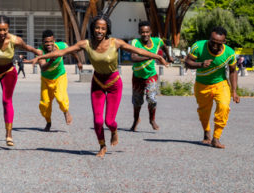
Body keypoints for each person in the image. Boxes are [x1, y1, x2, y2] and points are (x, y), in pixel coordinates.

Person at [33, 15, 167, 157]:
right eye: (97, 27)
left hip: (114, 84)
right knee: (97, 120)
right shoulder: (86, 44)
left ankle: (114, 131)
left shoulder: (115, 43)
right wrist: (40, 57)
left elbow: (138, 51)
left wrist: (157, 56)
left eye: (103, 28)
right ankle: (102, 146)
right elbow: (62, 52)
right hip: (97, 83)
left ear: (107, 29)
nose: (99, 31)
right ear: (93, 28)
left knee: (109, 121)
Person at [0, 15, 42, 146]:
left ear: (8, 29)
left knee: (6, 100)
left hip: (8, 72)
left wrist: (36, 51)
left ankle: (9, 134)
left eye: (5, 30)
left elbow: (27, 47)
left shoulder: (15, 40)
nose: (2, 33)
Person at [184, 26, 239, 149]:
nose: (214, 46)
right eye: (212, 42)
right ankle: (206, 132)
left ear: (224, 42)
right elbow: (187, 62)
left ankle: (216, 138)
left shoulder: (229, 53)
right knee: (204, 111)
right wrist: (200, 64)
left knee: (224, 107)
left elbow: (233, 71)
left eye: (218, 44)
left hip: (221, 84)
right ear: (209, 38)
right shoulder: (198, 47)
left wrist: (234, 91)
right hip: (202, 85)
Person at [36, 29, 82, 132]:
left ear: (54, 41)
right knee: (45, 104)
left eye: (50, 41)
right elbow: (43, 67)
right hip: (46, 80)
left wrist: (78, 61)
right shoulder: (40, 51)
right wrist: (51, 59)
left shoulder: (61, 46)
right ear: (42, 42)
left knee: (61, 98)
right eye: (46, 42)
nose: (48, 44)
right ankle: (48, 122)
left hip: (59, 76)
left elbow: (72, 51)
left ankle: (66, 111)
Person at [129, 21, 171, 131]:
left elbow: (164, 46)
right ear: (139, 32)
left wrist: (169, 57)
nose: (145, 34)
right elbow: (133, 58)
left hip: (151, 75)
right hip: (137, 76)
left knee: (152, 99)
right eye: (142, 32)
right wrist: (150, 56)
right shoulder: (135, 42)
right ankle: (136, 120)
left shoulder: (157, 41)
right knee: (137, 102)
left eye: (147, 32)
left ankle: (152, 119)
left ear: (151, 32)